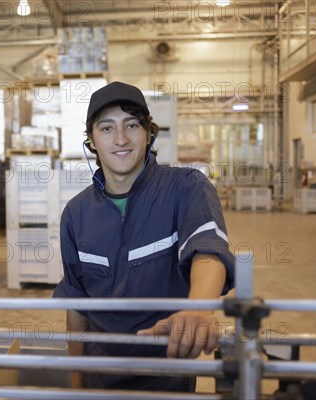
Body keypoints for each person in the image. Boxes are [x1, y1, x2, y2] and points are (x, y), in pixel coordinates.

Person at [53, 81, 235, 391]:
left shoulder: (185, 187)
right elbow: (77, 303)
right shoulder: (76, 213)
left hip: (165, 374)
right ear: (92, 141)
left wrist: (198, 308)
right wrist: (77, 378)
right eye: (106, 128)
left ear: (149, 133)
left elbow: (208, 250)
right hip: (101, 374)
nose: (120, 139)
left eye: (132, 125)